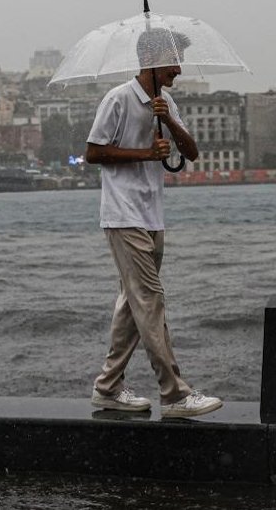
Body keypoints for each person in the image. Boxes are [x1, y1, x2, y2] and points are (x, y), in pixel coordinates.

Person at [84, 28, 223, 418]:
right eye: (175, 60)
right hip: (123, 214)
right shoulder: (118, 98)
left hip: (151, 215)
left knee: (133, 302)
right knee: (150, 300)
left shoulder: (166, 101)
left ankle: (108, 387)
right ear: (153, 58)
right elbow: (93, 152)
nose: (179, 68)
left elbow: (191, 153)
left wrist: (171, 123)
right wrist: (146, 154)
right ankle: (175, 393)